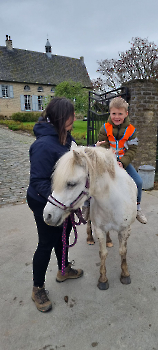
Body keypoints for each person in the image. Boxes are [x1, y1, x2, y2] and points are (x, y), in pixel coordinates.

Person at [27, 97, 83, 313]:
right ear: (61, 118)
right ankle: (37, 288)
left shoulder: (64, 138)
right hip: (44, 202)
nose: (75, 118)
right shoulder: (42, 145)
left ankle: (63, 270)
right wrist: (64, 199)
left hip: (63, 203)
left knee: (64, 233)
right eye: (71, 115)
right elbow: (38, 181)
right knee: (47, 242)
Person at [97, 96, 147, 224]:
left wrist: (123, 162)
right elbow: (103, 144)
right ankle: (87, 205)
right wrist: (109, 154)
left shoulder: (131, 130)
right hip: (107, 161)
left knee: (138, 181)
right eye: (114, 113)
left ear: (126, 114)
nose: (117, 116)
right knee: (93, 181)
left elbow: (132, 149)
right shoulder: (105, 128)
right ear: (110, 113)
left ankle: (137, 207)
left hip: (123, 163)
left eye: (120, 113)